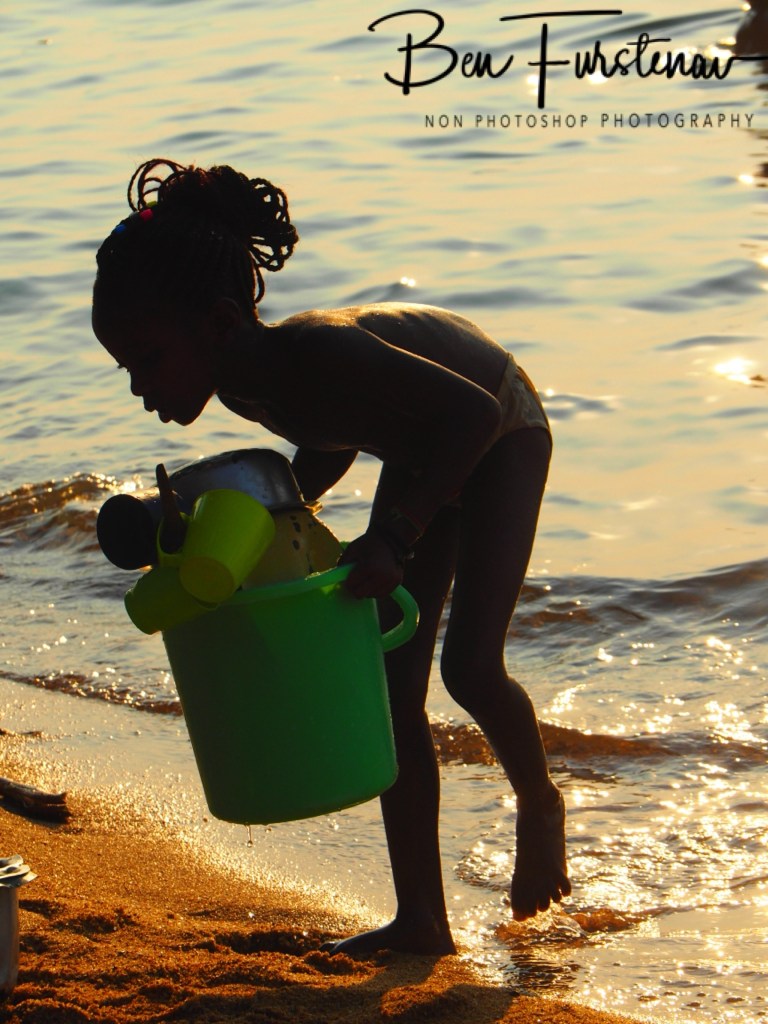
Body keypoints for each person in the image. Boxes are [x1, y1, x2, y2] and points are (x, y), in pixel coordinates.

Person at [92, 158, 571, 956]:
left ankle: (540, 802)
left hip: (499, 429)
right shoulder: (246, 382)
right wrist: (253, 543)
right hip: (422, 454)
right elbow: (327, 449)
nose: (139, 386)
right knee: (393, 691)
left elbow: (471, 413)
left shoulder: (315, 351)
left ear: (215, 324)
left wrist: (395, 536)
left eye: (146, 359)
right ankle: (422, 919)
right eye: (126, 368)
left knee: (471, 668)